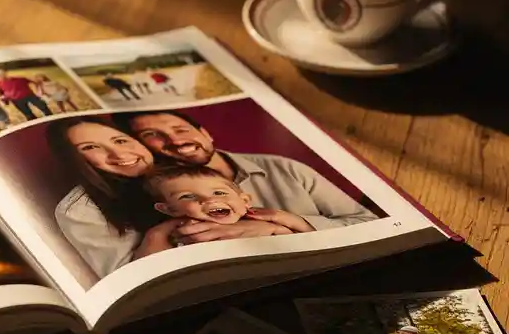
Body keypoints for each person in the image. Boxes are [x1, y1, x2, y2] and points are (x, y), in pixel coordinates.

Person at [116, 109, 378, 250]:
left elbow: (369, 223)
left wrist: (286, 225)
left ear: (206, 134)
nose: (175, 140)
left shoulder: (284, 168)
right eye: (154, 135)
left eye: (181, 129)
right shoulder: (150, 196)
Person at [49, 117, 175, 279]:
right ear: (74, 159)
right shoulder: (80, 209)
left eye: (121, 141)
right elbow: (126, 280)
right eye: (90, 147)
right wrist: (158, 234)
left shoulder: (186, 168)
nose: (118, 153)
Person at [143, 165, 313, 245]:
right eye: (188, 196)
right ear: (169, 209)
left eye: (219, 193)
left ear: (245, 201)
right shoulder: (174, 233)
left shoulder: (273, 221)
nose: (209, 200)